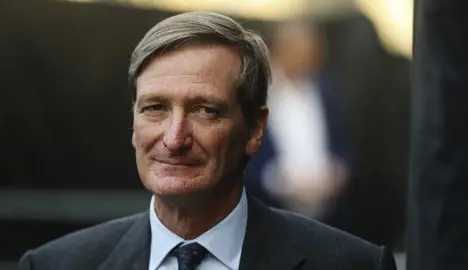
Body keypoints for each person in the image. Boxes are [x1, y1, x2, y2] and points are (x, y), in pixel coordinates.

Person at [17, 12, 396, 270]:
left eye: (206, 111)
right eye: (155, 108)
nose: (175, 138)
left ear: (255, 129)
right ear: (132, 123)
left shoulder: (353, 265)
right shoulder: (54, 266)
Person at [244, 20, 351, 219]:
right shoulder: (256, 92)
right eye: (301, 50)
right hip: (270, 213)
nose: (308, 58)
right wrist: (280, 181)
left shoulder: (328, 91)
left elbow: (343, 146)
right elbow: (241, 155)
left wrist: (337, 173)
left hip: (327, 214)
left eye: (314, 51)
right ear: (281, 49)